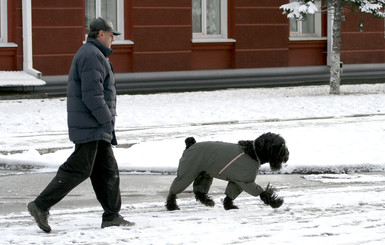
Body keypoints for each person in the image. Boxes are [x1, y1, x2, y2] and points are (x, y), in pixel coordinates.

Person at [27, 17, 134, 233]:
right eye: (111, 34)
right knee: (78, 168)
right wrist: (106, 121)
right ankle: (40, 205)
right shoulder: (92, 55)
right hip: (91, 125)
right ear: (100, 34)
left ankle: (112, 215)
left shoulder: (95, 55)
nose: (113, 38)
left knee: (107, 171)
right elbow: (92, 95)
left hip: (95, 125)